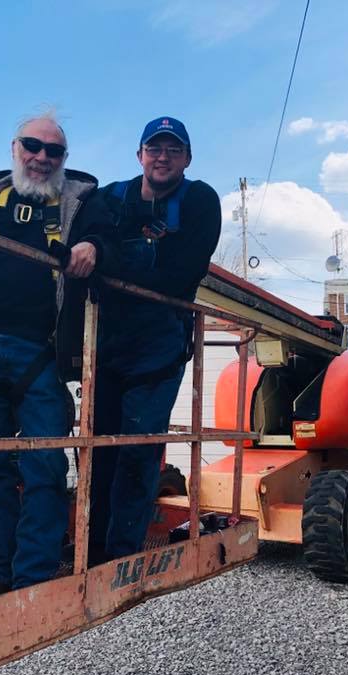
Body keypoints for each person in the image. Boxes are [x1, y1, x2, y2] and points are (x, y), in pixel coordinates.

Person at [0, 111, 111, 602]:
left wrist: (93, 245)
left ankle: (33, 575)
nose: (41, 158)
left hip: (41, 354)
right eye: (32, 146)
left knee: (46, 468)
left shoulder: (82, 202)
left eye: (53, 151)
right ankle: (0, 572)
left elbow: (108, 234)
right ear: (14, 148)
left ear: (64, 159)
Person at [88, 116, 222, 562]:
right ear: (140, 155)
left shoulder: (200, 200)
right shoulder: (111, 196)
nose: (162, 157)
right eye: (154, 148)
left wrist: (111, 261)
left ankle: (121, 557)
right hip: (106, 345)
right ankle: (89, 552)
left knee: (137, 451)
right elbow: (85, 241)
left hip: (159, 349)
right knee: (95, 450)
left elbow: (181, 274)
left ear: (187, 158)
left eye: (173, 150)